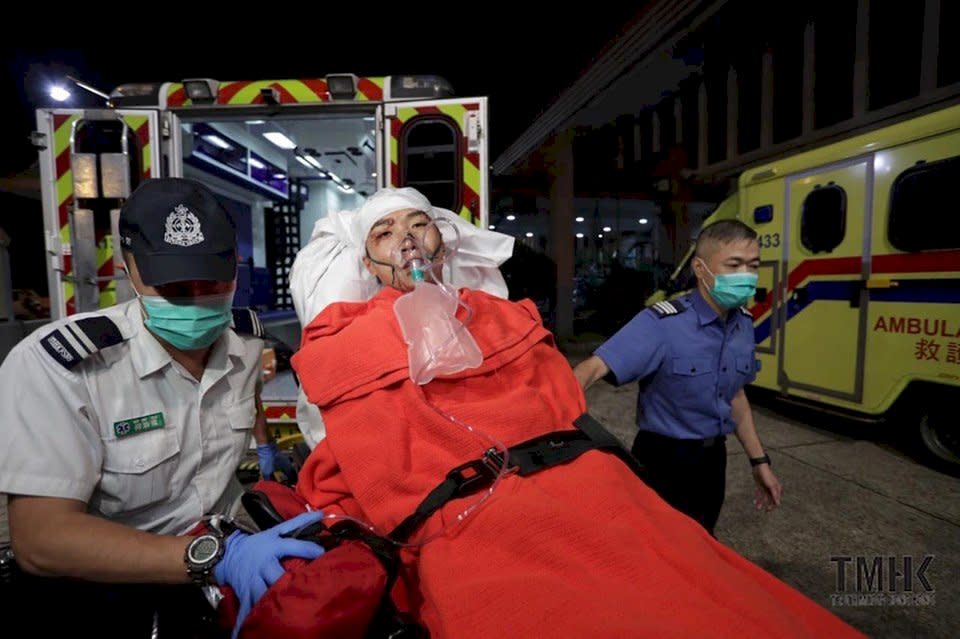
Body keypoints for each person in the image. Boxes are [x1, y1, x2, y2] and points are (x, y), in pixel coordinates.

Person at [236, 187, 861, 639]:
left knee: (699, 584)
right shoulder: (347, 339)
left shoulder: (502, 317)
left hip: (591, 488)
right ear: (366, 264)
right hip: (475, 518)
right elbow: (351, 459)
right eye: (383, 231)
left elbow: (560, 403)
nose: (404, 238)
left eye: (417, 222)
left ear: (443, 240)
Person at [0, 177, 323, 638]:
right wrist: (214, 557)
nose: (195, 298)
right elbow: (41, 540)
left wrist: (267, 458)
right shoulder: (63, 366)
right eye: (173, 285)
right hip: (98, 589)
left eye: (210, 278)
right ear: (131, 270)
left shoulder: (246, 345)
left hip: (208, 578)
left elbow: (241, 406)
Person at [573, 219, 781, 536]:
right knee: (657, 553)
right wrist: (556, 423)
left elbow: (736, 397)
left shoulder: (743, 325)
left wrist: (759, 462)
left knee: (702, 542)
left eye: (753, 266)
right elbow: (593, 369)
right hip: (663, 463)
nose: (746, 276)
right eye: (734, 264)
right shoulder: (662, 323)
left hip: (714, 462)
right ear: (700, 268)